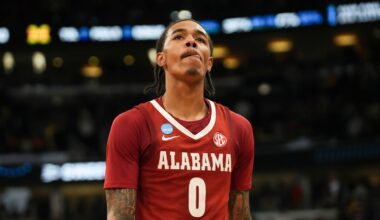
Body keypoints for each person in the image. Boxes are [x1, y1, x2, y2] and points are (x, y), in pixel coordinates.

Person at [104, 18, 255, 220]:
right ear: (161, 58)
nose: (192, 42)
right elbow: (120, 216)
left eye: (200, 40)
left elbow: (241, 215)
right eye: (179, 37)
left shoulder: (239, 127)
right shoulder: (132, 124)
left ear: (209, 63)